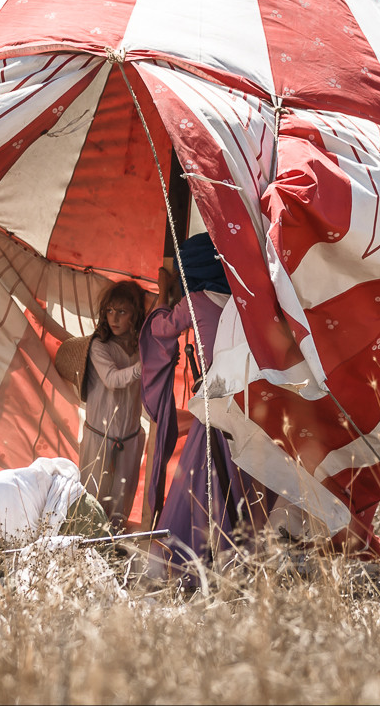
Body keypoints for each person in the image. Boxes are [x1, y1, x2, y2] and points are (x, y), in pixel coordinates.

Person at [140, 233, 269, 584]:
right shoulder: (246, 299)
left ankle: (189, 565)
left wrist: (164, 299)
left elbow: (160, 330)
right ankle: (239, 564)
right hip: (249, 405)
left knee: (199, 486)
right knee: (242, 484)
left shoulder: (194, 302)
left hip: (215, 403)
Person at [78, 280, 148, 532]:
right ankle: (88, 546)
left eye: (122, 312)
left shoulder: (141, 346)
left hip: (129, 436)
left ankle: (114, 547)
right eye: (109, 311)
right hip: (99, 437)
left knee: (122, 497)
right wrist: (147, 364)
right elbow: (112, 379)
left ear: (136, 315)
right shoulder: (99, 346)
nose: (114, 318)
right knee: (92, 496)